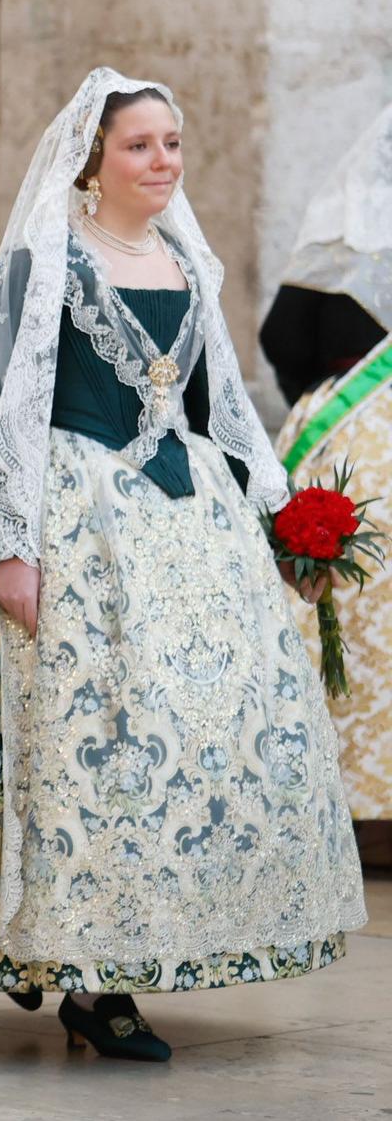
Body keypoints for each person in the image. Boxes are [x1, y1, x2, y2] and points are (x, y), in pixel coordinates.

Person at [0, 68, 366, 1063]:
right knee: (75, 745)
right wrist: (12, 546)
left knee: (171, 746)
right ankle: (74, 972)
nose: (162, 161)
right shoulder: (46, 257)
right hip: (71, 513)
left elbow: (218, 407)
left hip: (183, 521)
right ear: (89, 159)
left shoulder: (181, 257)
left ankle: (122, 956)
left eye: (171, 143)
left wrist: (276, 513)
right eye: (139, 145)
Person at [261, 99, 392, 850]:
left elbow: (283, 336)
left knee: (339, 610)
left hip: (344, 450)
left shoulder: (339, 236)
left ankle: (333, 800)